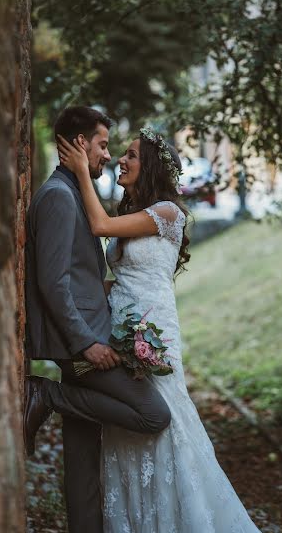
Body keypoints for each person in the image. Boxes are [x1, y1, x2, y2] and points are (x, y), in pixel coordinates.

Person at [57, 126, 261, 533]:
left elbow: (98, 227)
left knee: (162, 420)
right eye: (122, 153)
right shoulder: (133, 214)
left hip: (153, 329)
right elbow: (122, 277)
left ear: (149, 167)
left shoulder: (167, 212)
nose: (121, 159)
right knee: (128, 424)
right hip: (122, 325)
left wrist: (82, 170)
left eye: (131, 155)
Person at [23, 106, 171, 533]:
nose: (108, 155)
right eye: (103, 145)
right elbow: (53, 283)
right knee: (152, 415)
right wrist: (84, 342)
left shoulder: (73, 194)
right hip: (82, 348)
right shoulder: (58, 196)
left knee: (82, 460)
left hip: (87, 336)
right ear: (78, 143)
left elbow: (79, 273)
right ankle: (45, 396)